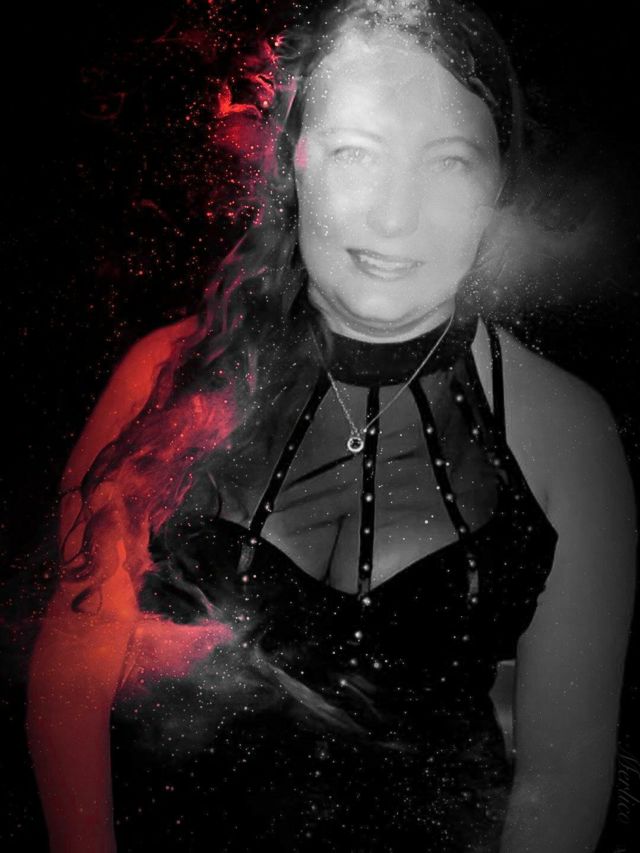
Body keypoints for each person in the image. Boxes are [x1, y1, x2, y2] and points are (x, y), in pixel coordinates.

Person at [27, 1, 636, 851]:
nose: (395, 217)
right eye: (356, 152)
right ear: (293, 162)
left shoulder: (567, 433)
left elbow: (561, 777)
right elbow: (71, 673)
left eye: (448, 161)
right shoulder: (163, 379)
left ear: (499, 184)